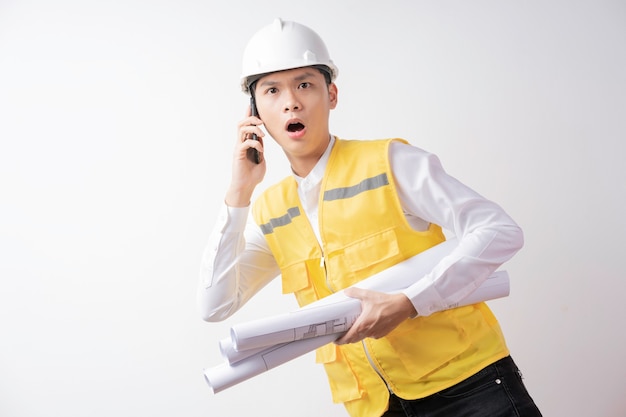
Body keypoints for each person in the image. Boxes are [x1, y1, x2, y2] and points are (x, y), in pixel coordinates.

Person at [198, 18, 542, 417]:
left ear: (332, 94)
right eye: (272, 90)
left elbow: (500, 231)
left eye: (304, 84)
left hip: (468, 387)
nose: (291, 101)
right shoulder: (270, 211)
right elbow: (215, 305)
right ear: (255, 113)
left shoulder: (389, 163)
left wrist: (410, 302)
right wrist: (239, 192)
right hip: (376, 407)